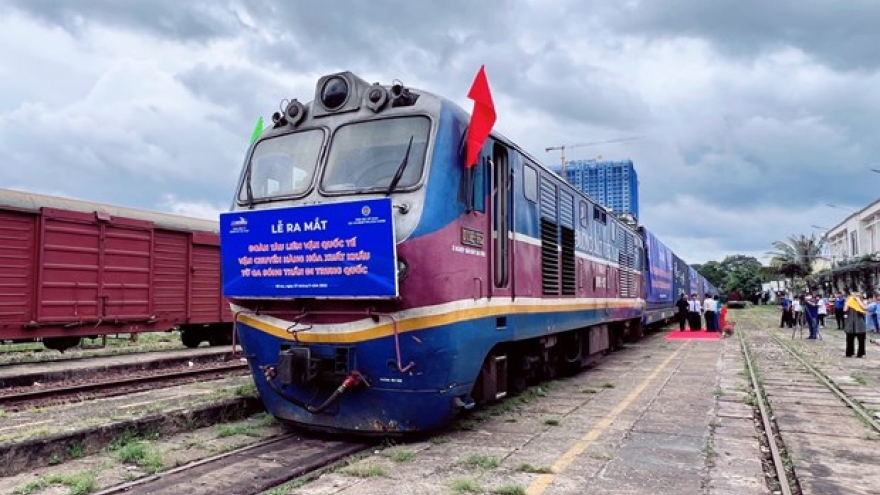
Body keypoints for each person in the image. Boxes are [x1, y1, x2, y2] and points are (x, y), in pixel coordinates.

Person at [844, 291, 867, 358]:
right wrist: (847, 302)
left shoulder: (862, 302)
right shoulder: (850, 302)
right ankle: (849, 352)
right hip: (850, 323)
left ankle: (860, 353)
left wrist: (858, 300)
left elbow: (864, 308)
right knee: (849, 339)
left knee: (861, 339)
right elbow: (845, 309)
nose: (854, 297)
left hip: (860, 324)